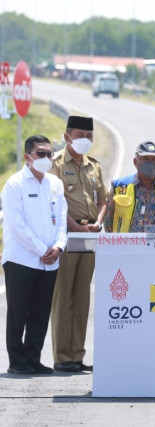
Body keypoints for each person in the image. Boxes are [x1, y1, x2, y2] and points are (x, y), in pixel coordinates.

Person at [1, 135, 68, 374]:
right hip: (21, 259)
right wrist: (42, 250)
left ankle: (33, 359)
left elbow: (62, 220)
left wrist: (58, 246)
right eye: (41, 153)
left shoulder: (55, 184)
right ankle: (17, 363)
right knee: (19, 313)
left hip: (50, 262)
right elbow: (17, 226)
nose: (46, 158)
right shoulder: (15, 184)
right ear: (28, 157)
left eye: (50, 154)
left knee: (40, 313)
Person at [49, 115, 107, 373]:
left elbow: (105, 199)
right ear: (67, 136)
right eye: (80, 135)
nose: (85, 140)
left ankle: (77, 354)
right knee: (63, 297)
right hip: (67, 235)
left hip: (90, 236)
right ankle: (62, 357)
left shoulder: (94, 166)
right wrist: (79, 228)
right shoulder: (56, 164)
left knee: (82, 297)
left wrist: (98, 223)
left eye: (89, 136)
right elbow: (56, 206)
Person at [104, 141, 155, 233]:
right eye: (145, 158)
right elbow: (108, 224)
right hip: (126, 245)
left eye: (154, 159)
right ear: (135, 162)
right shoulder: (119, 187)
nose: (150, 163)